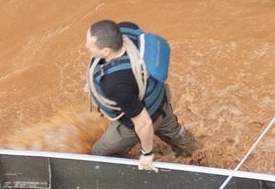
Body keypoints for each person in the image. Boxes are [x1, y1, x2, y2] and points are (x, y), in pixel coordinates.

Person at [84, 19, 198, 172]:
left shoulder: (116, 84)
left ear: (106, 51)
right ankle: (198, 156)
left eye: (89, 44)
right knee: (176, 134)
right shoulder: (126, 29)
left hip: (141, 118)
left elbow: (144, 123)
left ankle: (123, 170)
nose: (86, 46)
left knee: (99, 153)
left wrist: (147, 154)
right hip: (161, 102)